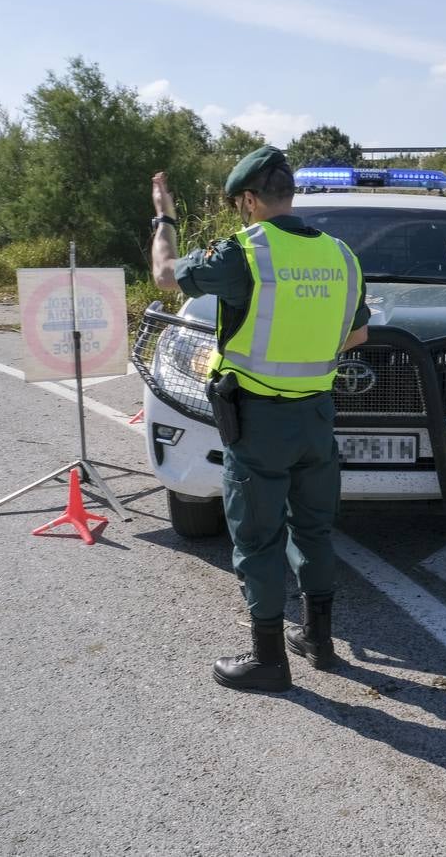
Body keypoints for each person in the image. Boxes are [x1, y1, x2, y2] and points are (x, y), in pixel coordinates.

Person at [149, 145, 370, 693]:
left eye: (239, 203)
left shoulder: (246, 252)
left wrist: (164, 217)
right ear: (289, 194)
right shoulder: (342, 256)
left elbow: (163, 275)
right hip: (318, 415)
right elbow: (359, 333)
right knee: (313, 528)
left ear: (249, 199)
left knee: (257, 537)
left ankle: (270, 660)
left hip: (259, 421)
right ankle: (318, 641)